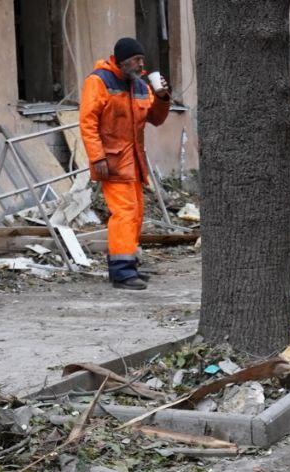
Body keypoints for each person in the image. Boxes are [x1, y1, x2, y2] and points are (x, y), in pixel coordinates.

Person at [79, 37, 172, 290]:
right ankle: (122, 273)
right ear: (122, 60)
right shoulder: (98, 81)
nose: (142, 64)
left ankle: (126, 265)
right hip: (112, 161)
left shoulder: (140, 85)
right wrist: (97, 157)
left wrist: (163, 97)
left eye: (142, 60)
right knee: (124, 214)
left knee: (135, 215)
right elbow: (88, 123)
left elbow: (155, 119)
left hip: (133, 161)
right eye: (136, 59)